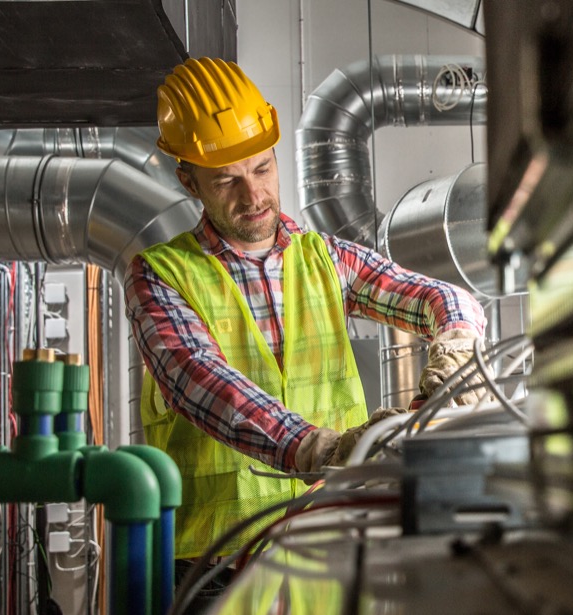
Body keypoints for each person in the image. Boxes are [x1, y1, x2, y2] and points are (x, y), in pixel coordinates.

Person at [124, 57, 488, 574]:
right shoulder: (159, 276)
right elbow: (201, 382)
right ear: (189, 181)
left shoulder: (326, 258)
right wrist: (328, 449)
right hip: (215, 565)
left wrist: (455, 350)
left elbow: (444, 298)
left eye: (262, 169)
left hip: (331, 547)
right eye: (226, 181)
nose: (253, 196)